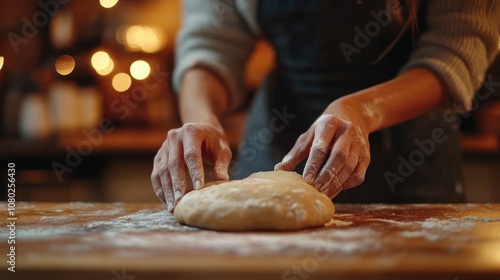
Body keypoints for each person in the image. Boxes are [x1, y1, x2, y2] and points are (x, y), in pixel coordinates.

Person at [151, 0, 500, 212]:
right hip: (277, 145)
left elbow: (456, 50)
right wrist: (201, 118)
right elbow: (210, 43)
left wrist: (362, 110)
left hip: (410, 156)